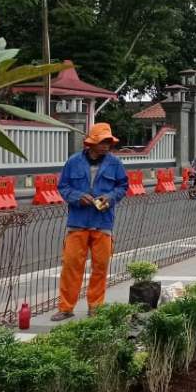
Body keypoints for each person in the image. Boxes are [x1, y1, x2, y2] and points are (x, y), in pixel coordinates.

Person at [53, 123, 130, 321]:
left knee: (100, 266)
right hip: (78, 222)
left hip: (103, 223)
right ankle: (65, 307)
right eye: (102, 142)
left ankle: (95, 306)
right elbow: (63, 186)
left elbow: (122, 186)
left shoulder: (115, 163)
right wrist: (78, 196)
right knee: (71, 266)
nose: (106, 146)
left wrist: (110, 197)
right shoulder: (73, 162)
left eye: (108, 142)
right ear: (92, 143)